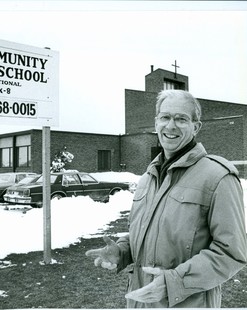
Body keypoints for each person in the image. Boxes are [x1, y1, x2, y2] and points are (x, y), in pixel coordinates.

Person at [86, 89, 247, 308]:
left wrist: (175, 284)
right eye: (165, 117)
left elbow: (232, 253)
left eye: (181, 119)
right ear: (156, 123)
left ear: (195, 127)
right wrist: (122, 251)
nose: (171, 126)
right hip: (140, 302)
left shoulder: (218, 177)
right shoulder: (148, 178)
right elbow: (145, 233)